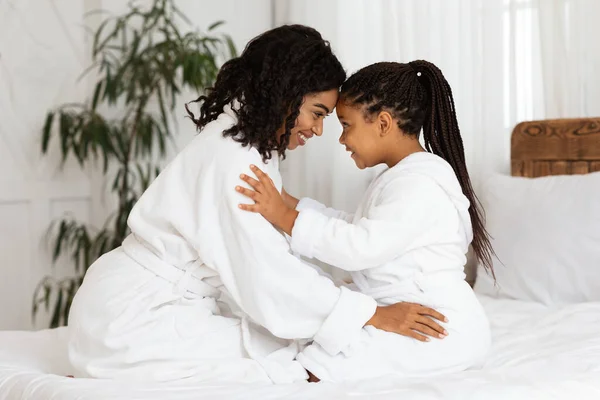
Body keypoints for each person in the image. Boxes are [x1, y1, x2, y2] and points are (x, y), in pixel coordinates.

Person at [66, 27, 447, 384]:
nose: (318, 131)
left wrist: (342, 302)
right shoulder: (236, 162)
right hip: (132, 319)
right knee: (286, 364)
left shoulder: (245, 146)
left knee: (293, 344)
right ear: (286, 93)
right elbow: (267, 274)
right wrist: (372, 314)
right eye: (317, 113)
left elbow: (269, 261)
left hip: (138, 306)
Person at [236, 60, 494, 382]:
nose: (342, 139)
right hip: (412, 316)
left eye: (346, 125)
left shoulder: (419, 185)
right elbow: (358, 227)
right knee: (310, 347)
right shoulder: (404, 178)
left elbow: (359, 246)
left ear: (383, 123)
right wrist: (290, 202)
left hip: (438, 327)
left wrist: (286, 217)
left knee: (316, 368)